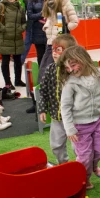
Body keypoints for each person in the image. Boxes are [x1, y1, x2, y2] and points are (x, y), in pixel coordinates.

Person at [59, 46, 100, 190]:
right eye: (67, 67)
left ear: (84, 60)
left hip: (96, 120)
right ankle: (84, 179)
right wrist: (69, 129)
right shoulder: (71, 82)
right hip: (79, 126)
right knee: (85, 156)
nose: (71, 69)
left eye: (73, 65)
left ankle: (94, 166)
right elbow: (65, 106)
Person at [39, 34, 78, 164]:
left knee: (78, 146)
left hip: (74, 118)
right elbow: (43, 90)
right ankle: (63, 165)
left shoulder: (74, 72)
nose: (54, 54)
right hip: (57, 117)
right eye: (53, 50)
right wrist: (42, 109)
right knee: (56, 145)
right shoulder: (50, 69)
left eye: (58, 50)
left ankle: (83, 166)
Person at [38, 0, 80, 83]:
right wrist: (47, 26)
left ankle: (55, 85)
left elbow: (74, 21)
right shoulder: (50, 4)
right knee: (46, 64)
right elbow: (50, 19)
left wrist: (65, 29)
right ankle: (44, 86)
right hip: (50, 39)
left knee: (58, 64)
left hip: (61, 41)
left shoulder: (66, 4)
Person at [0, 0, 27, 90]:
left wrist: (21, 29)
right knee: (5, 62)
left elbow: (24, 22)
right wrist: (4, 29)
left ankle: (18, 80)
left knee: (18, 61)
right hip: (4, 38)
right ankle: (8, 82)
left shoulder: (20, 7)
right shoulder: (1, 6)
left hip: (17, 38)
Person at [22, 0, 47, 67]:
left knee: (50, 55)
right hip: (37, 30)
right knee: (40, 54)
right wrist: (41, 14)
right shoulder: (31, 0)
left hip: (50, 30)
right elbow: (30, 15)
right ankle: (41, 75)